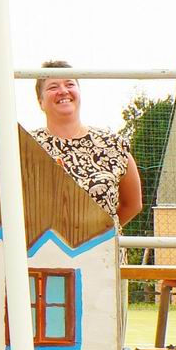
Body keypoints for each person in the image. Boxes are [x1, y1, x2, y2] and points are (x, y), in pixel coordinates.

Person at [32, 61, 143, 226]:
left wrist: (102, 232)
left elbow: (132, 204)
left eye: (69, 84)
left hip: (102, 242)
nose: (63, 91)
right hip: (44, 242)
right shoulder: (26, 146)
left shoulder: (113, 144)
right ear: (40, 101)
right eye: (53, 87)